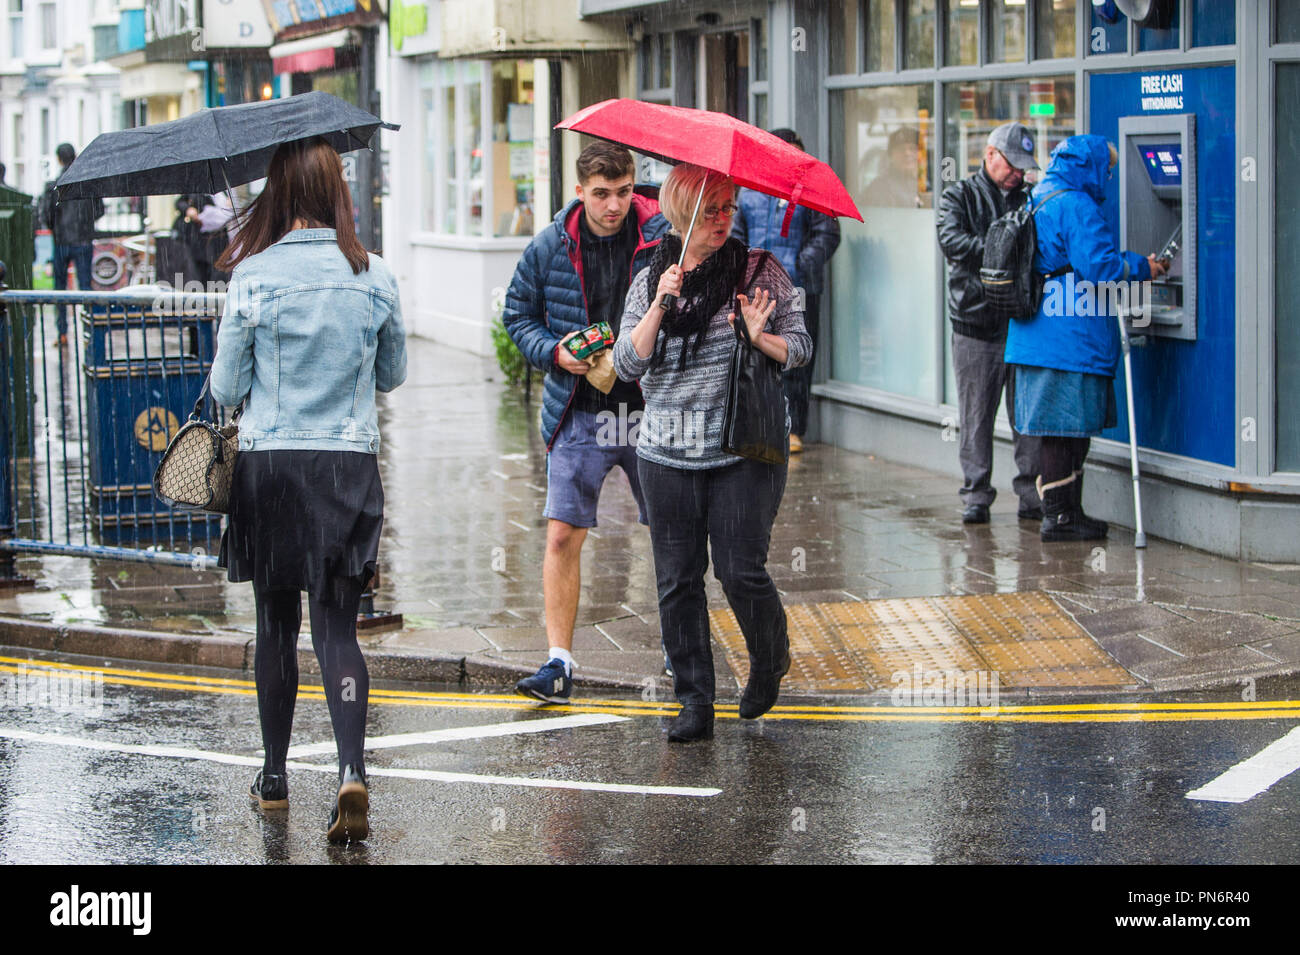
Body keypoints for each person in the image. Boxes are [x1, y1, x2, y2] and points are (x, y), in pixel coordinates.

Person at [209, 137, 407, 843]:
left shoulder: (252, 275)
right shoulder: (375, 274)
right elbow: (393, 374)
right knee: (337, 628)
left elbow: (226, 387)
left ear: (280, 194)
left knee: (275, 625)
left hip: (271, 468)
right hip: (346, 465)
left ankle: (273, 775)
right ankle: (351, 768)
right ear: (336, 193)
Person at [612, 163, 811, 742]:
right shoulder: (652, 276)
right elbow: (627, 366)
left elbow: (800, 347)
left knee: (739, 570)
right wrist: (657, 306)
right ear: (681, 212)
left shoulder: (759, 271)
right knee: (677, 579)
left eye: (729, 206)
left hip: (741, 450)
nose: (724, 219)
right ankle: (695, 700)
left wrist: (758, 336)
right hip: (666, 456)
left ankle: (769, 660)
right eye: (712, 209)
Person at [502, 143, 668, 703]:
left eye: (623, 192)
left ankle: (679, 647)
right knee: (562, 535)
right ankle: (558, 663)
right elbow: (517, 315)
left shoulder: (661, 238)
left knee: (671, 532)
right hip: (579, 409)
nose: (614, 205)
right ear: (579, 191)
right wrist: (554, 352)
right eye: (601, 194)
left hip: (649, 410)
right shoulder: (550, 246)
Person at [1005, 134, 1166, 542]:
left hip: (1035, 334)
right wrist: (1144, 267)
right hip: (1067, 337)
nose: (1109, 176)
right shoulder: (1075, 204)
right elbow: (1101, 268)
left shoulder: (1038, 196)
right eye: (1106, 168)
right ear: (1088, 166)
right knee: (1064, 428)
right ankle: (1059, 517)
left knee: (1058, 429)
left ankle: (1065, 512)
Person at [936, 122, 1044, 525]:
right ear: (990, 154)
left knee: (1027, 417)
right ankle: (976, 494)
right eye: (1011, 164)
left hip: (1021, 324)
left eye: (1023, 167)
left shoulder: (1029, 199)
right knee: (976, 417)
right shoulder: (958, 195)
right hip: (975, 325)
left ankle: (1032, 494)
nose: (1017, 173)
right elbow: (952, 242)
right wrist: (1005, 250)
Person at [731, 128, 840, 454]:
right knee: (753, 352)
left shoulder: (811, 192)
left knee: (797, 355)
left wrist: (799, 266)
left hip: (797, 287)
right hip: (755, 291)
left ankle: (795, 427)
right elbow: (738, 234)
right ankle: (759, 421)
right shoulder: (750, 191)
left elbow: (827, 235)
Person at [38, 143, 104, 344]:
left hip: (61, 242)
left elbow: (46, 215)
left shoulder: (53, 185)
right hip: (83, 240)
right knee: (85, 287)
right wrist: (86, 223)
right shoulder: (88, 183)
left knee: (60, 289)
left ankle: (62, 333)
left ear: (59, 159)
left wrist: (57, 229)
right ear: (75, 157)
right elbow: (99, 211)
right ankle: (89, 331)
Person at [862, 127, 922, 209]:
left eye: (912, 148)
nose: (907, 153)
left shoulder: (929, 185)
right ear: (891, 156)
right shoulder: (880, 188)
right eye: (901, 149)